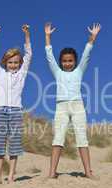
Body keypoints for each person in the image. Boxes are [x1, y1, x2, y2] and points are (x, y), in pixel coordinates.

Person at [44, 22, 101, 179]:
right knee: (58, 138)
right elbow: (49, 56)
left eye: (70, 61)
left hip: (77, 107)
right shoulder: (57, 72)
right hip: (61, 107)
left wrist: (92, 37)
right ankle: (52, 172)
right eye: (64, 61)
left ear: (74, 62)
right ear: (61, 62)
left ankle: (88, 172)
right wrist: (47, 36)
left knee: (82, 138)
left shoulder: (79, 70)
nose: (67, 63)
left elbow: (86, 54)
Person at [0, 24, 32, 184]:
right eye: (10, 62)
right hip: (1, 111)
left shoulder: (22, 75)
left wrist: (27, 35)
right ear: (5, 62)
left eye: (16, 62)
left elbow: (29, 55)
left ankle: (11, 176)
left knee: (14, 145)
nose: (14, 65)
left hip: (16, 111)